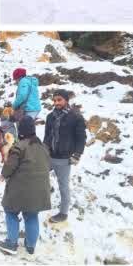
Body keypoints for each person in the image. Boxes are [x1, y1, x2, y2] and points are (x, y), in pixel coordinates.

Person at [0, 116, 51, 256]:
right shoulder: (43, 147)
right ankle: (30, 246)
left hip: (20, 189)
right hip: (40, 190)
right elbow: (49, 165)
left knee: (10, 211)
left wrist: (3, 175)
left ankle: (11, 243)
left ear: (21, 130)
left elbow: (9, 167)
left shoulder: (19, 146)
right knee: (31, 215)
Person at [42, 89, 86, 224]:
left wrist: (77, 154)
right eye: (54, 100)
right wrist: (44, 149)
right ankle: (47, 191)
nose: (56, 103)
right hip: (49, 156)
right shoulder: (50, 116)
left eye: (59, 100)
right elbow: (47, 135)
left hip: (64, 159)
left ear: (66, 100)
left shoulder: (76, 117)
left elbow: (81, 138)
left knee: (63, 186)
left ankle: (63, 213)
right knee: (39, 174)